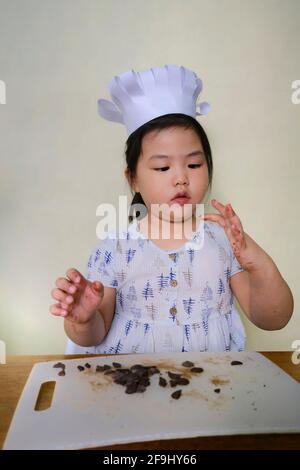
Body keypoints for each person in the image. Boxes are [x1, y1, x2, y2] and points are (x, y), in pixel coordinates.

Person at [50, 65, 294, 354]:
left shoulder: (224, 242)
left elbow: (274, 318)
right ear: (133, 178)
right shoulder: (114, 249)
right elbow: (95, 334)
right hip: (130, 388)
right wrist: (83, 319)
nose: (181, 177)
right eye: (162, 167)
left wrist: (257, 262)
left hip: (214, 387)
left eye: (194, 164)